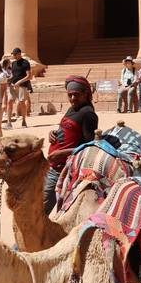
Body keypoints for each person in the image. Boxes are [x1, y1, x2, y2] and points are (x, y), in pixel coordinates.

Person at [44, 76, 98, 214]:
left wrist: (62, 153)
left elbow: (91, 147)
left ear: (86, 94)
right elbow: (69, 130)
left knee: (39, 211)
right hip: (52, 166)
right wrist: (54, 133)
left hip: (63, 170)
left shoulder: (88, 114)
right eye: (70, 95)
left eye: (76, 94)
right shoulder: (73, 109)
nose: (73, 98)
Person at [10, 48, 33, 128]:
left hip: (22, 85)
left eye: (15, 54)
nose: (13, 56)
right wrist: (9, 79)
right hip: (13, 85)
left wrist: (19, 82)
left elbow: (29, 76)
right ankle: (9, 122)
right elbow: (13, 75)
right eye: (13, 54)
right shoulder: (13, 63)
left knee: (21, 101)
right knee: (9, 101)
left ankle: (23, 120)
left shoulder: (25, 62)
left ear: (19, 54)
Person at [1, 57, 15, 129]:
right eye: (9, 62)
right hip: (3, 87)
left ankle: (8, 121)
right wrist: (9, 77)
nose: (10, 64)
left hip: (9, 87)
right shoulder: (1, 70)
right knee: (3, 104)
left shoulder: (9, 70)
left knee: (9, 101)